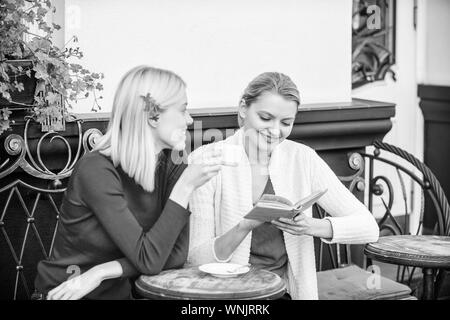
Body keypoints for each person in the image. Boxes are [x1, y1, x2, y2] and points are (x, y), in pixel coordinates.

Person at [34, 66, 228, 300]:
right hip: (67, 293)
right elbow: (150, 259)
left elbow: (175, 256)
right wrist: (185, 188)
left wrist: (101, 272)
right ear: (153, 116)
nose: (189, 120)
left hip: (120, 294)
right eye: (183, 109)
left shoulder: (173, 162)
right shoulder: (96, 170)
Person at [187, 72, 380, 300]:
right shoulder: (206, 160)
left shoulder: (302, 158)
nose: (275, 131)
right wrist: (244, 226)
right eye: (265, 118)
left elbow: (369, 227)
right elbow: (196, 259)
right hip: (225, 294)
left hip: (283, 292)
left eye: (286, 122)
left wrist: (310, 226)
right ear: (242, 109)